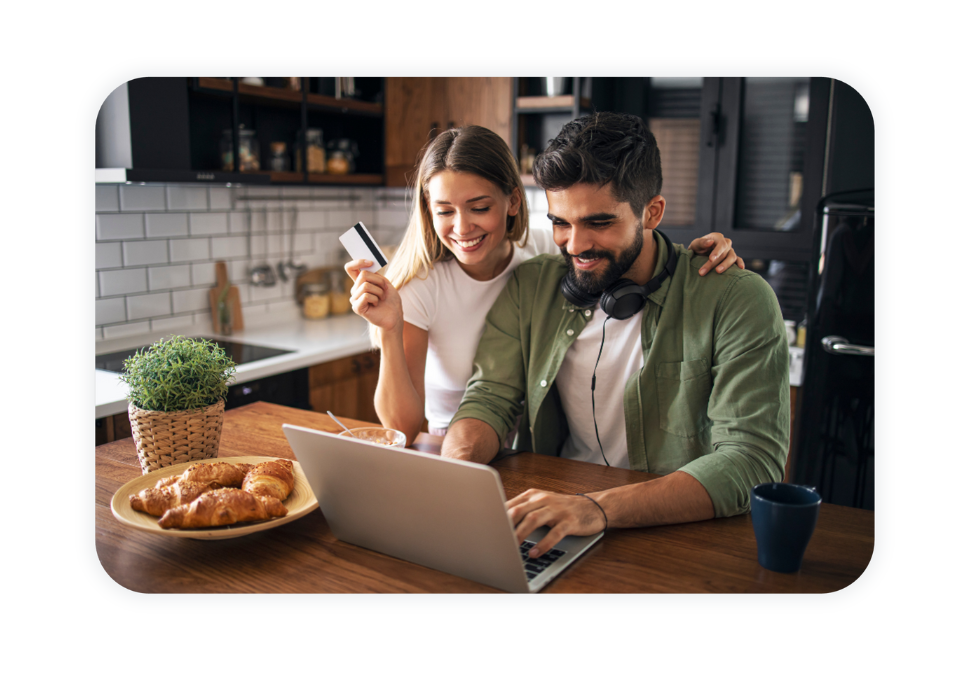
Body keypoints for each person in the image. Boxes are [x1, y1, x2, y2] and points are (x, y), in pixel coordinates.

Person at [440, 113, 790, 559]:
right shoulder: (532, 287)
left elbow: (751, 461)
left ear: (653, 212)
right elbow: (489, 396)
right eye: (561, 223)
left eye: (599, 223)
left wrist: (595, 508)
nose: (575, 245)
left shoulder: (735, 298)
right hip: (553, 517)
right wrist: (453, 475)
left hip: (675, 533)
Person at [345, 125, 744, 447]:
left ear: (513, 202)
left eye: (480, 207)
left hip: (525, 447)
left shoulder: (541, 249)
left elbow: (610, 236)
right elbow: (401, 428)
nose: (462, 228)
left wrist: (690, 260)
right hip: (455, 443)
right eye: (445, 211)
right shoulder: (421, 286)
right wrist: (390, 328)